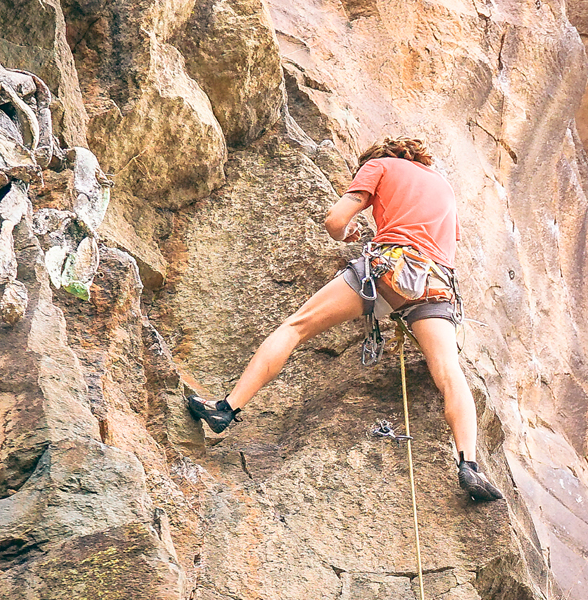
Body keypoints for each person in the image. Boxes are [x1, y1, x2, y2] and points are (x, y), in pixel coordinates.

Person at [188, 136, 503, 502]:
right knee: (449, 372)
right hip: (433, 281)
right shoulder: (445, 189)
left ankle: (226, 409)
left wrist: (346, 232)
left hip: (387, 268)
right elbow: (445, 244)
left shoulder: (380, 166)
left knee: (295, 327)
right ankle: (469, 465)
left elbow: (334, 220)